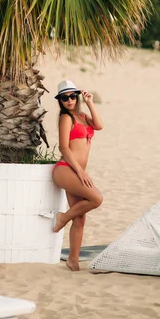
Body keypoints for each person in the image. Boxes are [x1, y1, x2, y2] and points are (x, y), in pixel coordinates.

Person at [52, 79, 104, 271]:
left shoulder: (82, 115)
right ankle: (63, 218)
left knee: (80, 217)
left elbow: (99, 125)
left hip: (75, 171)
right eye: (65, 98)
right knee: (96, 198)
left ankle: (73, 260)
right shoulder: (67, 118)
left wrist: (90, 102)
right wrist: (80, 171)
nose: (69, 101)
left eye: (73, 96)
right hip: (66, 169)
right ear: (61, 101)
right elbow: (64, 147)